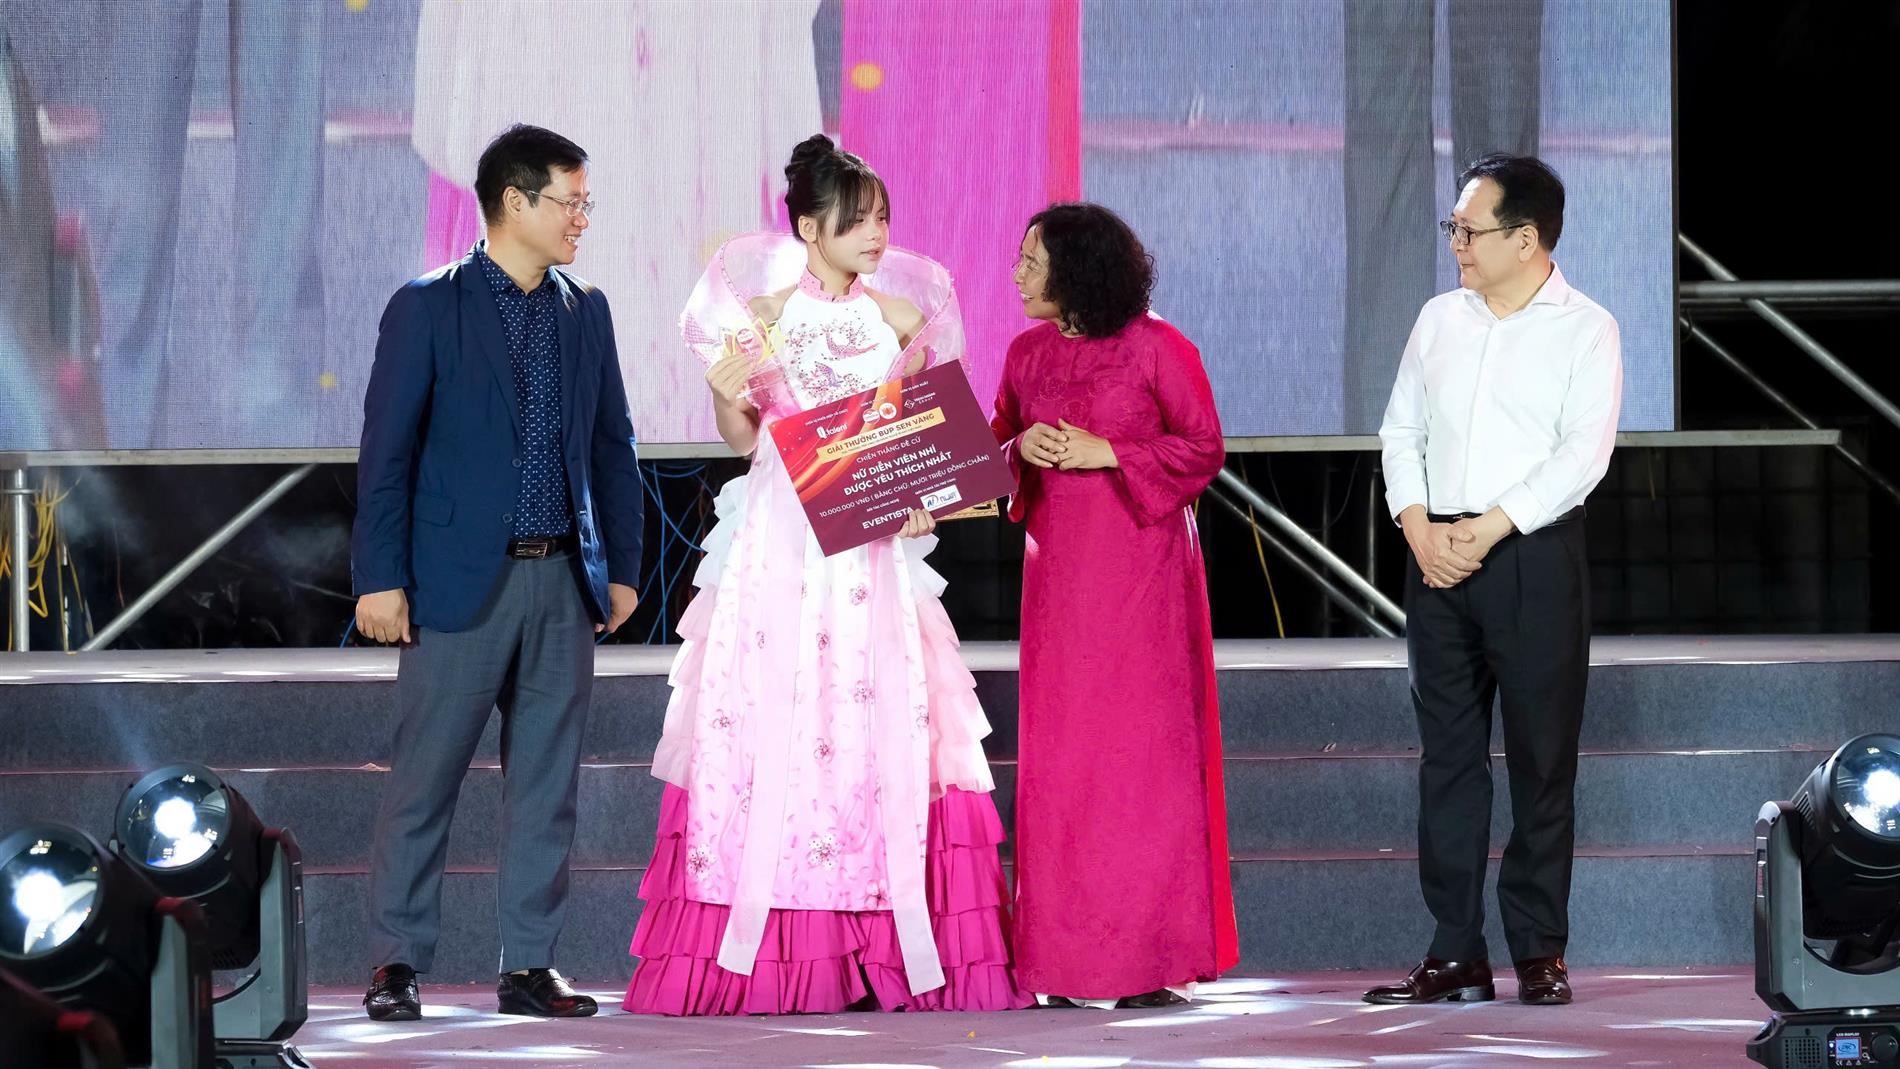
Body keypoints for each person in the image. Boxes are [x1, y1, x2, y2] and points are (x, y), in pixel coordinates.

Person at [622, 135, 1028, 1016]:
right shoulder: (762, 316)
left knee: (878, 718)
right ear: (808, 228)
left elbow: (924, 442)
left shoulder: (904, 321)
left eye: (882, 218)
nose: (877, 234)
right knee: (771, 718)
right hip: (779, 535)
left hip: (871, 548)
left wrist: (923, 496)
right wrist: (726, 392)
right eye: (857, 220)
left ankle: (883, 947)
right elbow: (745, 438)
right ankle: (767, 951)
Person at [351, 124, 644, 1021]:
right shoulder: (427, 306)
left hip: (563, 583)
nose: (582, 218)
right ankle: (397, 961)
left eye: (586, 202)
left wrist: (622, 569)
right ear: (514, 202)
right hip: (454, 583)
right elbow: (386, 454)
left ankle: (530, 963)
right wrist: (378, 575)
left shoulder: (585, 308)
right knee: (424, 779)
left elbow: (613, 446)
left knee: (547, 787)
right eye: (570, 201)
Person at [1364, 154, 1621, 1008]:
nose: (1457, 244)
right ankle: (1455, 952)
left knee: (1542, 760)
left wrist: (1492, 524)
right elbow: (1401, 430)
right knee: (1448, 760)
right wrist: (1417, 527)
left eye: (1469, 230)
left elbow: (1581, 456)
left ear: (1527, 239)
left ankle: (1540, 950)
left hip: (1532, 555)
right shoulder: (1439, 318)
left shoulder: (1587, 328)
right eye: (1454, 228)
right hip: (1436, 554)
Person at [992, 202, 1239, 1008]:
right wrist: (1016, 449)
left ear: (1078, 271)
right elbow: (990, 448)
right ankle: (1064, 966)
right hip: (1058, 592)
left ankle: (1148, 961)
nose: (1018, 274)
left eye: (1032, 261)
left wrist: (1111, 451)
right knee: (1063, 767)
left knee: (1140, 764)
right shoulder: (1026, 353)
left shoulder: (1159, 347)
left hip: (1143, 587)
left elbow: (1204, 447)